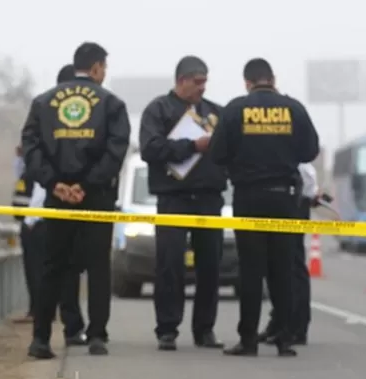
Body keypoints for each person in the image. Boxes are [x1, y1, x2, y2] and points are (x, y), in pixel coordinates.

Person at [21, 42, 131, 359]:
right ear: (96, 67)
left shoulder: (43, 103)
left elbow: (30, 147)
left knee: (53, 266)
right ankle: (97, 336)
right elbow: (116, 150)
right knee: (98, 267)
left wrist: (55, 184)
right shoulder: (111, 103)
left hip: (57, 199)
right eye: (104, 68)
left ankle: (40, 339)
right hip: (96, 199)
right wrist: (87, 184)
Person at [208, 57, 320, 357]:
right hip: (285, 198)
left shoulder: (235, 110)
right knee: (282, 269)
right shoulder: (293, 109)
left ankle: (248, 340)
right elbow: (310, 150)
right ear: (272, 78)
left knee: (251, 271)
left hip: (248, 197)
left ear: (247, 81)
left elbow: (217, 153)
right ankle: (284, 339)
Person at [139, 55, 227, 351]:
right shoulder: (159, 110)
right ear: (181, 81)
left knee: (210, 266)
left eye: (205, 82)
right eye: (197, 82)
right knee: (170, 264)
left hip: (208, 198)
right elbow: (150, 149)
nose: (202, 88)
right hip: (173, 198)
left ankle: (205, 330)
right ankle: (167, 329)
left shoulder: (215, 112)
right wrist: (191, 146)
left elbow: (230, 149)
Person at [11, 65, 88, 346]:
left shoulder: (44, 114)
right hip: (52, 208)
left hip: (47, 208)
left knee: (56, 272)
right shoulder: (63, 121)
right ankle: (63, 328)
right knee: (63, 272)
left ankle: (45, 335)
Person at [259, 162, 326, 346]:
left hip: (296, 201)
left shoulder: (292, 147)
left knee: (293, 266)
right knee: (275, 266)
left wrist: (311, 193)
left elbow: (306, 171)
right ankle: (279, 322)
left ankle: (296, 327)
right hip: (286, 200)